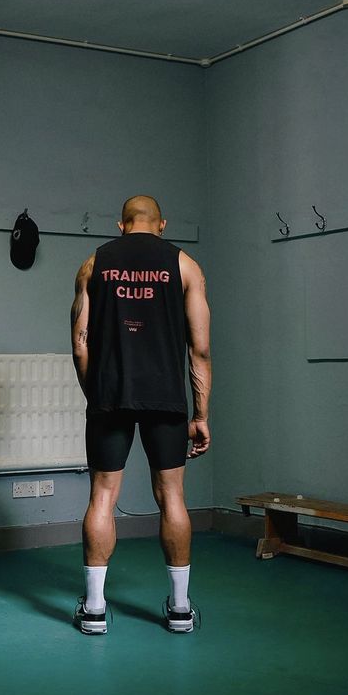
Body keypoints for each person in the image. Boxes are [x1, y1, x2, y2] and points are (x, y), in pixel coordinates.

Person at [70, 195, 211, 634]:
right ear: (162, 225)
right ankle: (181, 609)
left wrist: (96, 393)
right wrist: (200, 413)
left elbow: (80, 341)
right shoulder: (185, 266)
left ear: (122, 224)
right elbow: (200, 349)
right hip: (166, 397)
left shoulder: (94, 263)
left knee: (102, 498)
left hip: (109, 396)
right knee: (172, 498)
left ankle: (94, 610)